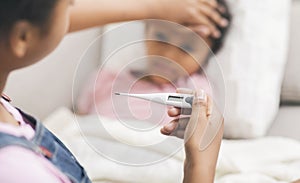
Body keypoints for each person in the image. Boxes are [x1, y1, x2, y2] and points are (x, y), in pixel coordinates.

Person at [0, 0, 225, 182]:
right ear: (22, 36)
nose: (75, 6)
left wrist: (155, 7)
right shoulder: (18, 169)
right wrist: (200, 169)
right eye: (69, 3)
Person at [76, 0, 231, 126]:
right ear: (146, 31)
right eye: (161, 37)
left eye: (187, 48)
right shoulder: (107, 79)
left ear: (207, 56)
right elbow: (77, 126)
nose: (168, 55)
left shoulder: (198, 94)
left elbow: (202, 142)